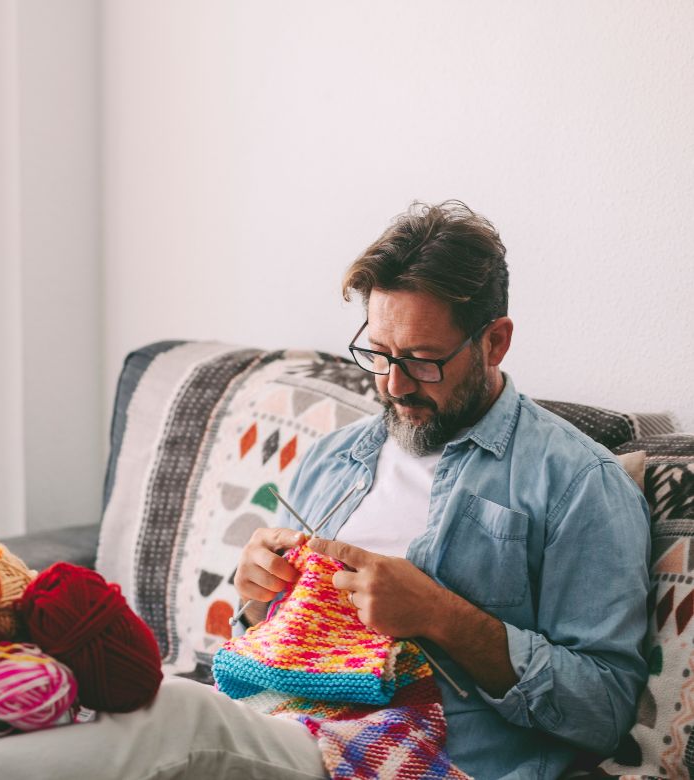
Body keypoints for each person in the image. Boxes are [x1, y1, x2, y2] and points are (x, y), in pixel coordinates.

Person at [235, 200, 651, 779]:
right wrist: (260, 601)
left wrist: (437, 614)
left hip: (429, 759)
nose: (394, 384)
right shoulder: (334, 458)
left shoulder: (578, 483)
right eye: (378, 354)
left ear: (495, 342)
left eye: (424, 360)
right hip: (288, 724)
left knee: (156, 729)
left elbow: (603, 709)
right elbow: (275, 642)